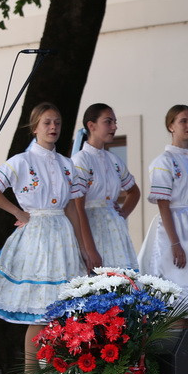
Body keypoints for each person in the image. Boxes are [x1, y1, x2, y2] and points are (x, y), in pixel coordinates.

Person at [0, 102, 87, 374]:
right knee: (41, 311)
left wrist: (82, 245)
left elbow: (71, 208)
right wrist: (17, 211)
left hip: (62, 236)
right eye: (47, 122)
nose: (53, 127)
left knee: (60, 312)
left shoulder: (66, 164)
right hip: (37, 235)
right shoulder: (22, 161)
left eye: (57, 122)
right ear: (35, 127)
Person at [138, 105, 188, 326]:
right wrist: (175, 243)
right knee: (173, 301)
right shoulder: (163, 161)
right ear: (171, 126)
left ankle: (187, 345)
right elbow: (163, 204)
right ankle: (171, 346)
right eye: (183, 121)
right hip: (172, 229)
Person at [71, 103, 141, 272]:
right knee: (97, 279)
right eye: (108, 122)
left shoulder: (114, 160)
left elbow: (134, 192)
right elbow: (78, 207)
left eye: (115, 122)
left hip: (114, 231)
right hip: (91, 229)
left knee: (120, 278)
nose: (114, 127)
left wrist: (122, 213)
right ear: (91, 125)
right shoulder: (81, 160)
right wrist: (90, 249)